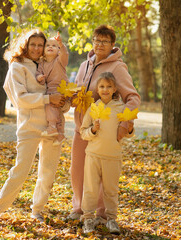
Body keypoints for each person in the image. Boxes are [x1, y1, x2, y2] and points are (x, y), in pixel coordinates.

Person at [0, 29, 67, 224]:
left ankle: (37, 210)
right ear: (25, 45)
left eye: (41, 45)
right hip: (29, 127)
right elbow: (20, 100)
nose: (37, 49)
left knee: (47, 173)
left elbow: (60, 93)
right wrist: (48, 98)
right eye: (33, 45)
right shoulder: (18, 67)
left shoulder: (50, 64)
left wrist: (63, 102)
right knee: (20, 171)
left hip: (53, 127)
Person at [69, 25, 141, 223]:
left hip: (104, 132)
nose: (99, 44)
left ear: (112, 45)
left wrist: (125, 124)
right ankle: (79, 208)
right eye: (96, 40)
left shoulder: (118, 67)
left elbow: (132, 97)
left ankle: (100, 213)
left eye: (104, 41)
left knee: (98, 174)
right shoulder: (85, 65)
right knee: (77, 170)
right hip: (82, 128)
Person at [80, 72, 134, 234]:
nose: (105, 89)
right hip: (93, 155)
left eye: (109, 86)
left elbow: (128, 133)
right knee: (90, 189)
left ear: (115, 89)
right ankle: (88, 219)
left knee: (111, 190)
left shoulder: (121, 108)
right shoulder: (93, 108)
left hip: (113, 156)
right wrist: (93, 130)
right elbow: (83, 132)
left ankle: (111, 219)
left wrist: (130, 129)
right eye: (102, 86)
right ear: (97, 88)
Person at [36, 33, 70, 145]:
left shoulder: (60, 61)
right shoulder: (41, 63)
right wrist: (39, 77)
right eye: (48, 45)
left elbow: (65, 54)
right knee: (57, 110)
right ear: (43, 50)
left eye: (54, 46)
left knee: (50, 106)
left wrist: (61, 43)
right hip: (51, 89)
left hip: (61, 88)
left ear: (58, 50)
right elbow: (38, 73)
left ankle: (52, 126)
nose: (51, 47)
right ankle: (60, 134)